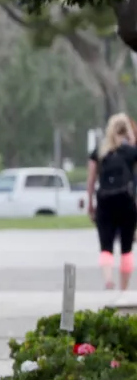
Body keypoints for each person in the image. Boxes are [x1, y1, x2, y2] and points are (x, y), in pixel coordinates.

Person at [87, 113, 137, 291]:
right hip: (126, 201)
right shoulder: (131, 152)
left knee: (106, 246)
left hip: (105, 201)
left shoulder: (100, 151)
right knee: (126, 248)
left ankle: (108, 279)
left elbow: (91, 179)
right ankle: (124, 287)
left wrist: (90, 203)